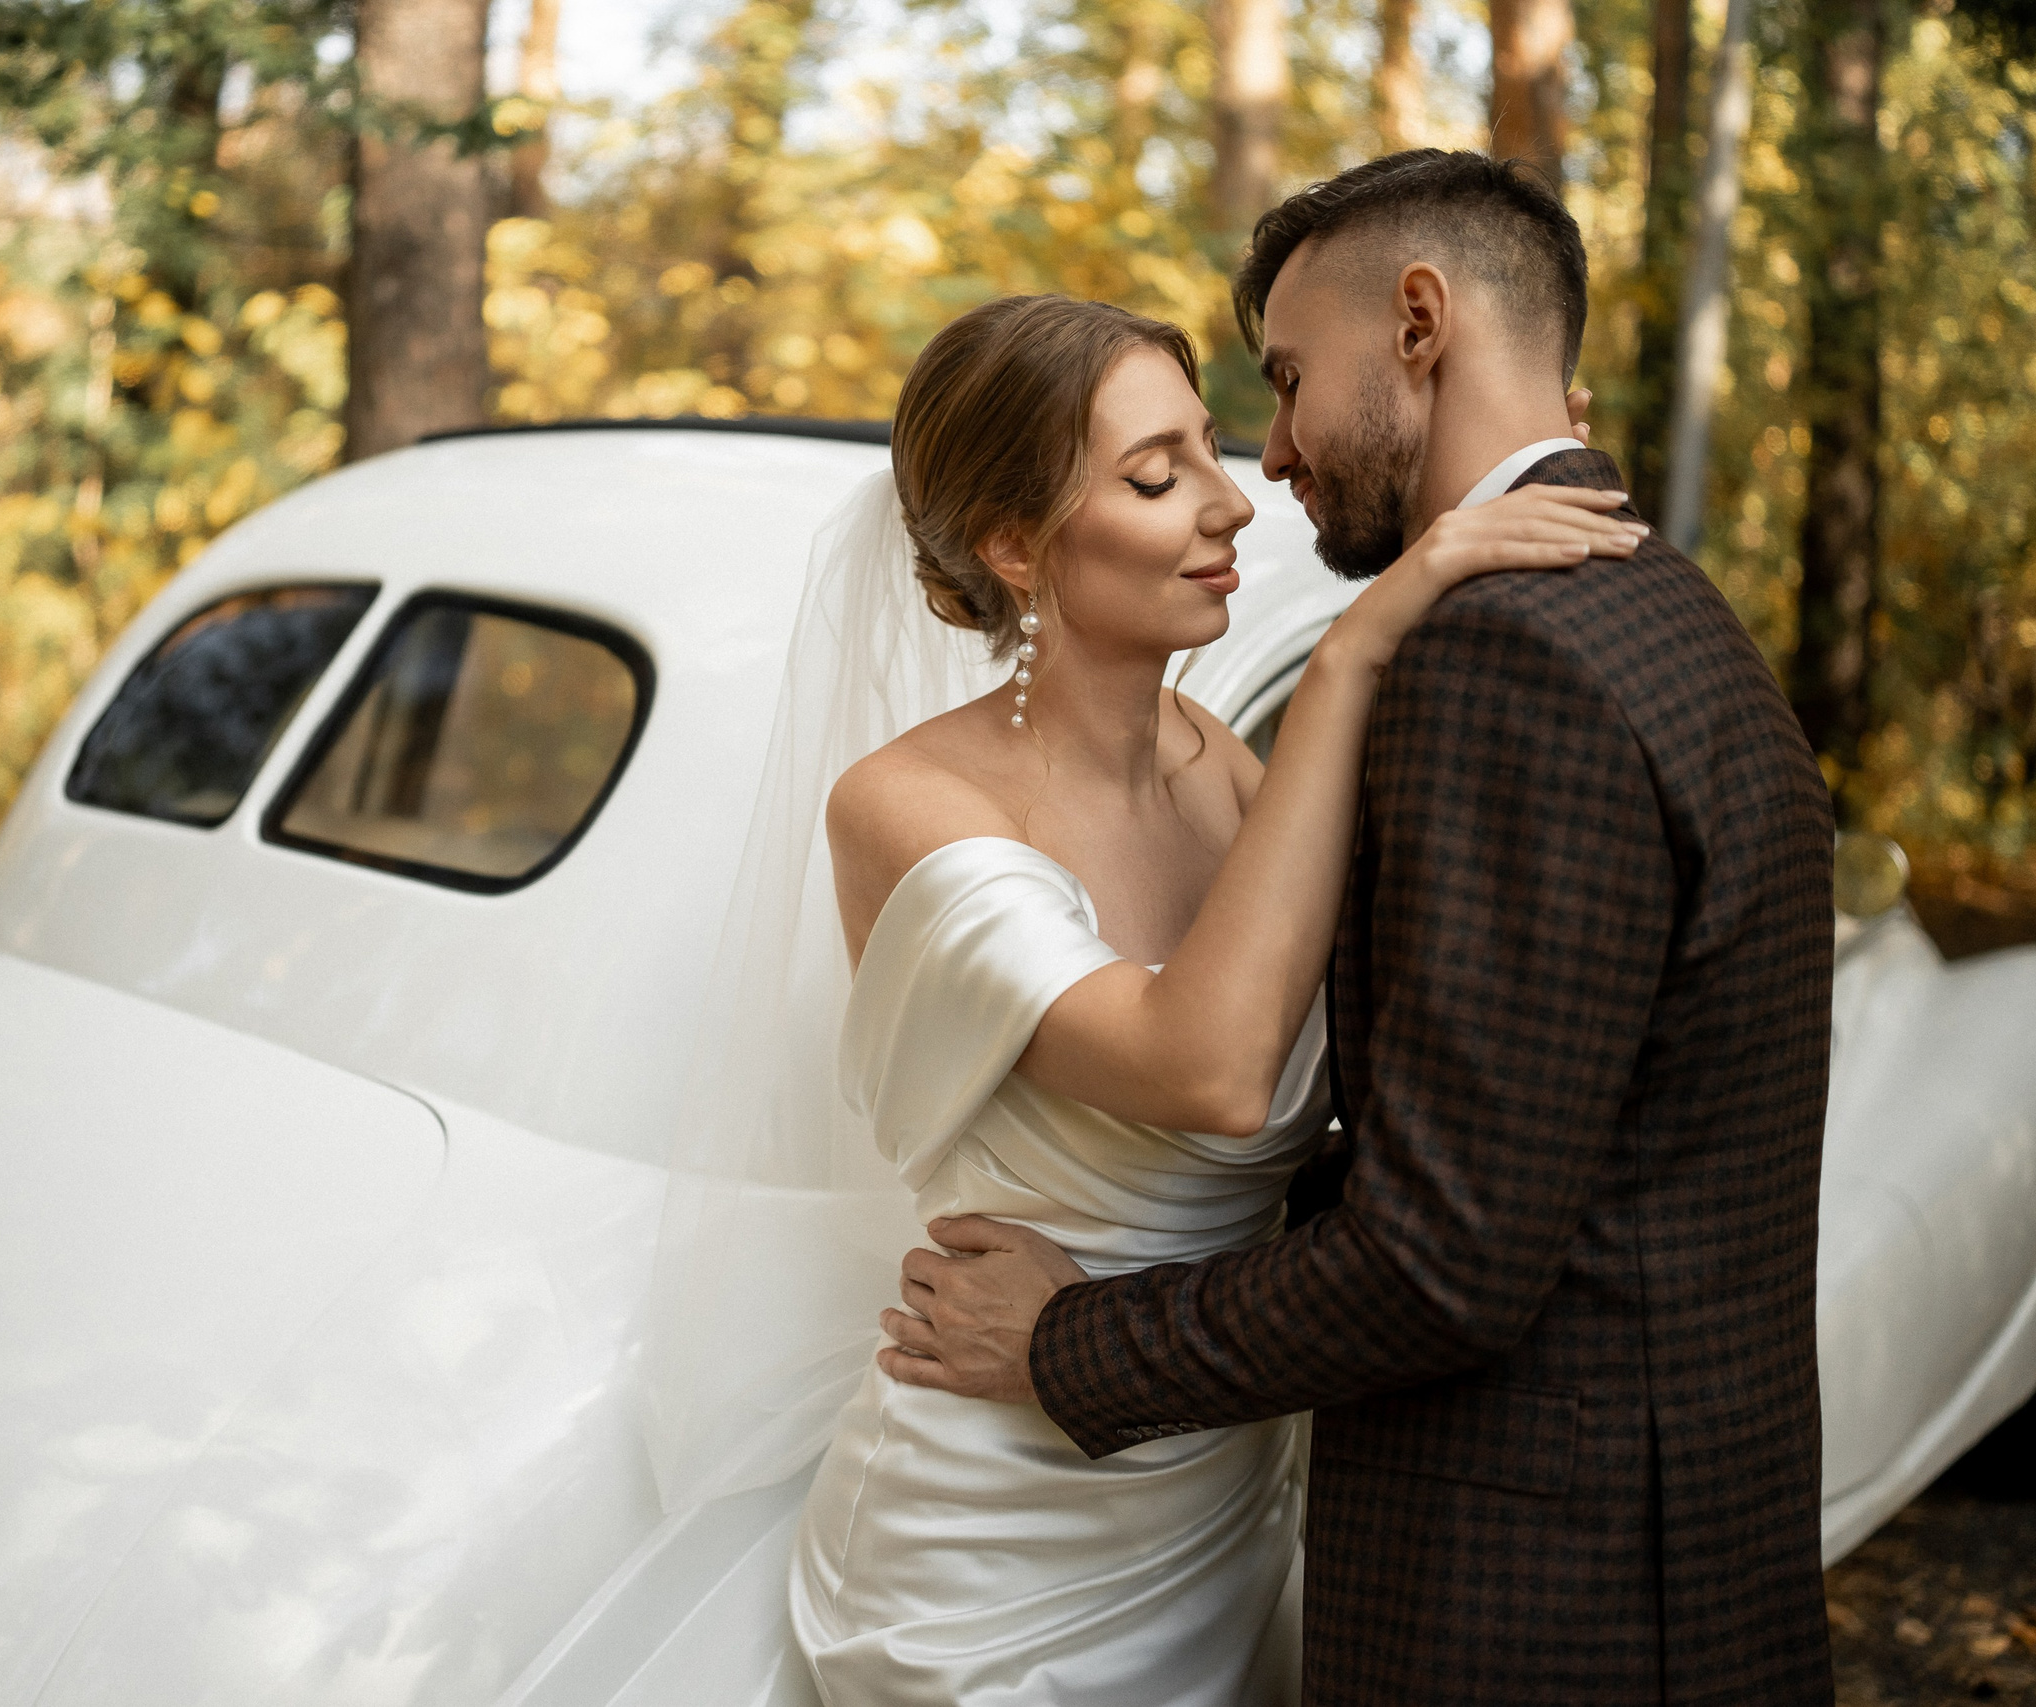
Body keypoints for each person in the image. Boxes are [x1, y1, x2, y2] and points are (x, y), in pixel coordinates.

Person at [885, 152, 1838, 1704]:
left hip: (1537, 1598)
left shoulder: (1505, 657)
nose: (1269, 461)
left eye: (1285, 381)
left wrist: (1071, 1344)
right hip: (1673, 1545)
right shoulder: (1664, 607)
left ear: (1418, 322)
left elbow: (1444, 1259)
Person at [776, 271, 1638, 1696]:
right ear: (1014, 545)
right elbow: (1213, 1068)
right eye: (1156, 475)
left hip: (1219, 1490)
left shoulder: (1225, 766)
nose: (1234, 502)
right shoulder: (905, 805)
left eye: (1213, 453)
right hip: (996, 1533)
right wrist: (1356, 647)